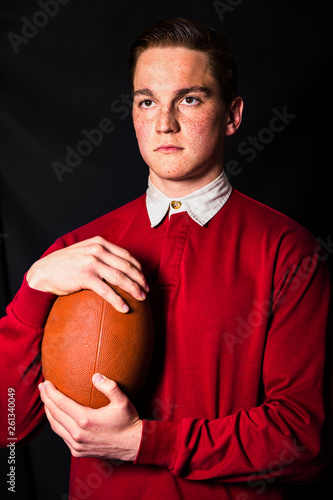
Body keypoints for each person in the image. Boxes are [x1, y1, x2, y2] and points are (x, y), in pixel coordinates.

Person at [0, 17, 331, 500]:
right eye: (147, 101)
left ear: (233, 115)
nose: (164, 122)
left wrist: (143, 443)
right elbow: (9, 422)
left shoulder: (288, 251)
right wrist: (32, 289)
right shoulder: (79, 251)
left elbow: (304, 438)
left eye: (190, 99)